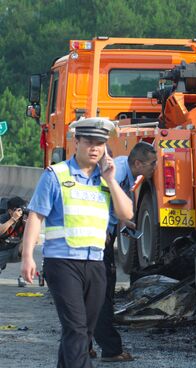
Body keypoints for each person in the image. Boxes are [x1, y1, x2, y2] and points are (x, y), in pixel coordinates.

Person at [21, 117, 133, 368]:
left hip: (95, 264)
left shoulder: (106, 180)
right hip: (62, 263)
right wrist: (28, 256)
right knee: (76, 329)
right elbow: (36, 215)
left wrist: (112, 181)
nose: (95, 148)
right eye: (89, 142)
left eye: (100, 144)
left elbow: (127, 214)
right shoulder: (55, 175)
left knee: (83, 332)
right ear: (76, 142)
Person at [90, 141, 156, 362]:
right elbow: (99, 199)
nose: (154, 168)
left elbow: (113, 203)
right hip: (99, 238)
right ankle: (110, 349)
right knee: (103, 293)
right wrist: (102, 229)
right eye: (152, 163)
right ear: (137, 163)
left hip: (101, 235)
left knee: (94, 292)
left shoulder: (125, 174)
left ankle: (84, 343)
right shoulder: (117, 172)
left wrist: (124, 222)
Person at [0, 196, 27, 275]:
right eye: (17, 210)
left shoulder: (24, 219)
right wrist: (13, 220)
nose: (20, 212)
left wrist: (27, 226)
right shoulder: (3, 218)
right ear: (10, 211)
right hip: (2, 250)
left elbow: (35, 240)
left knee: (27, 245)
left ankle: (23, 275)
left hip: (16, 251)